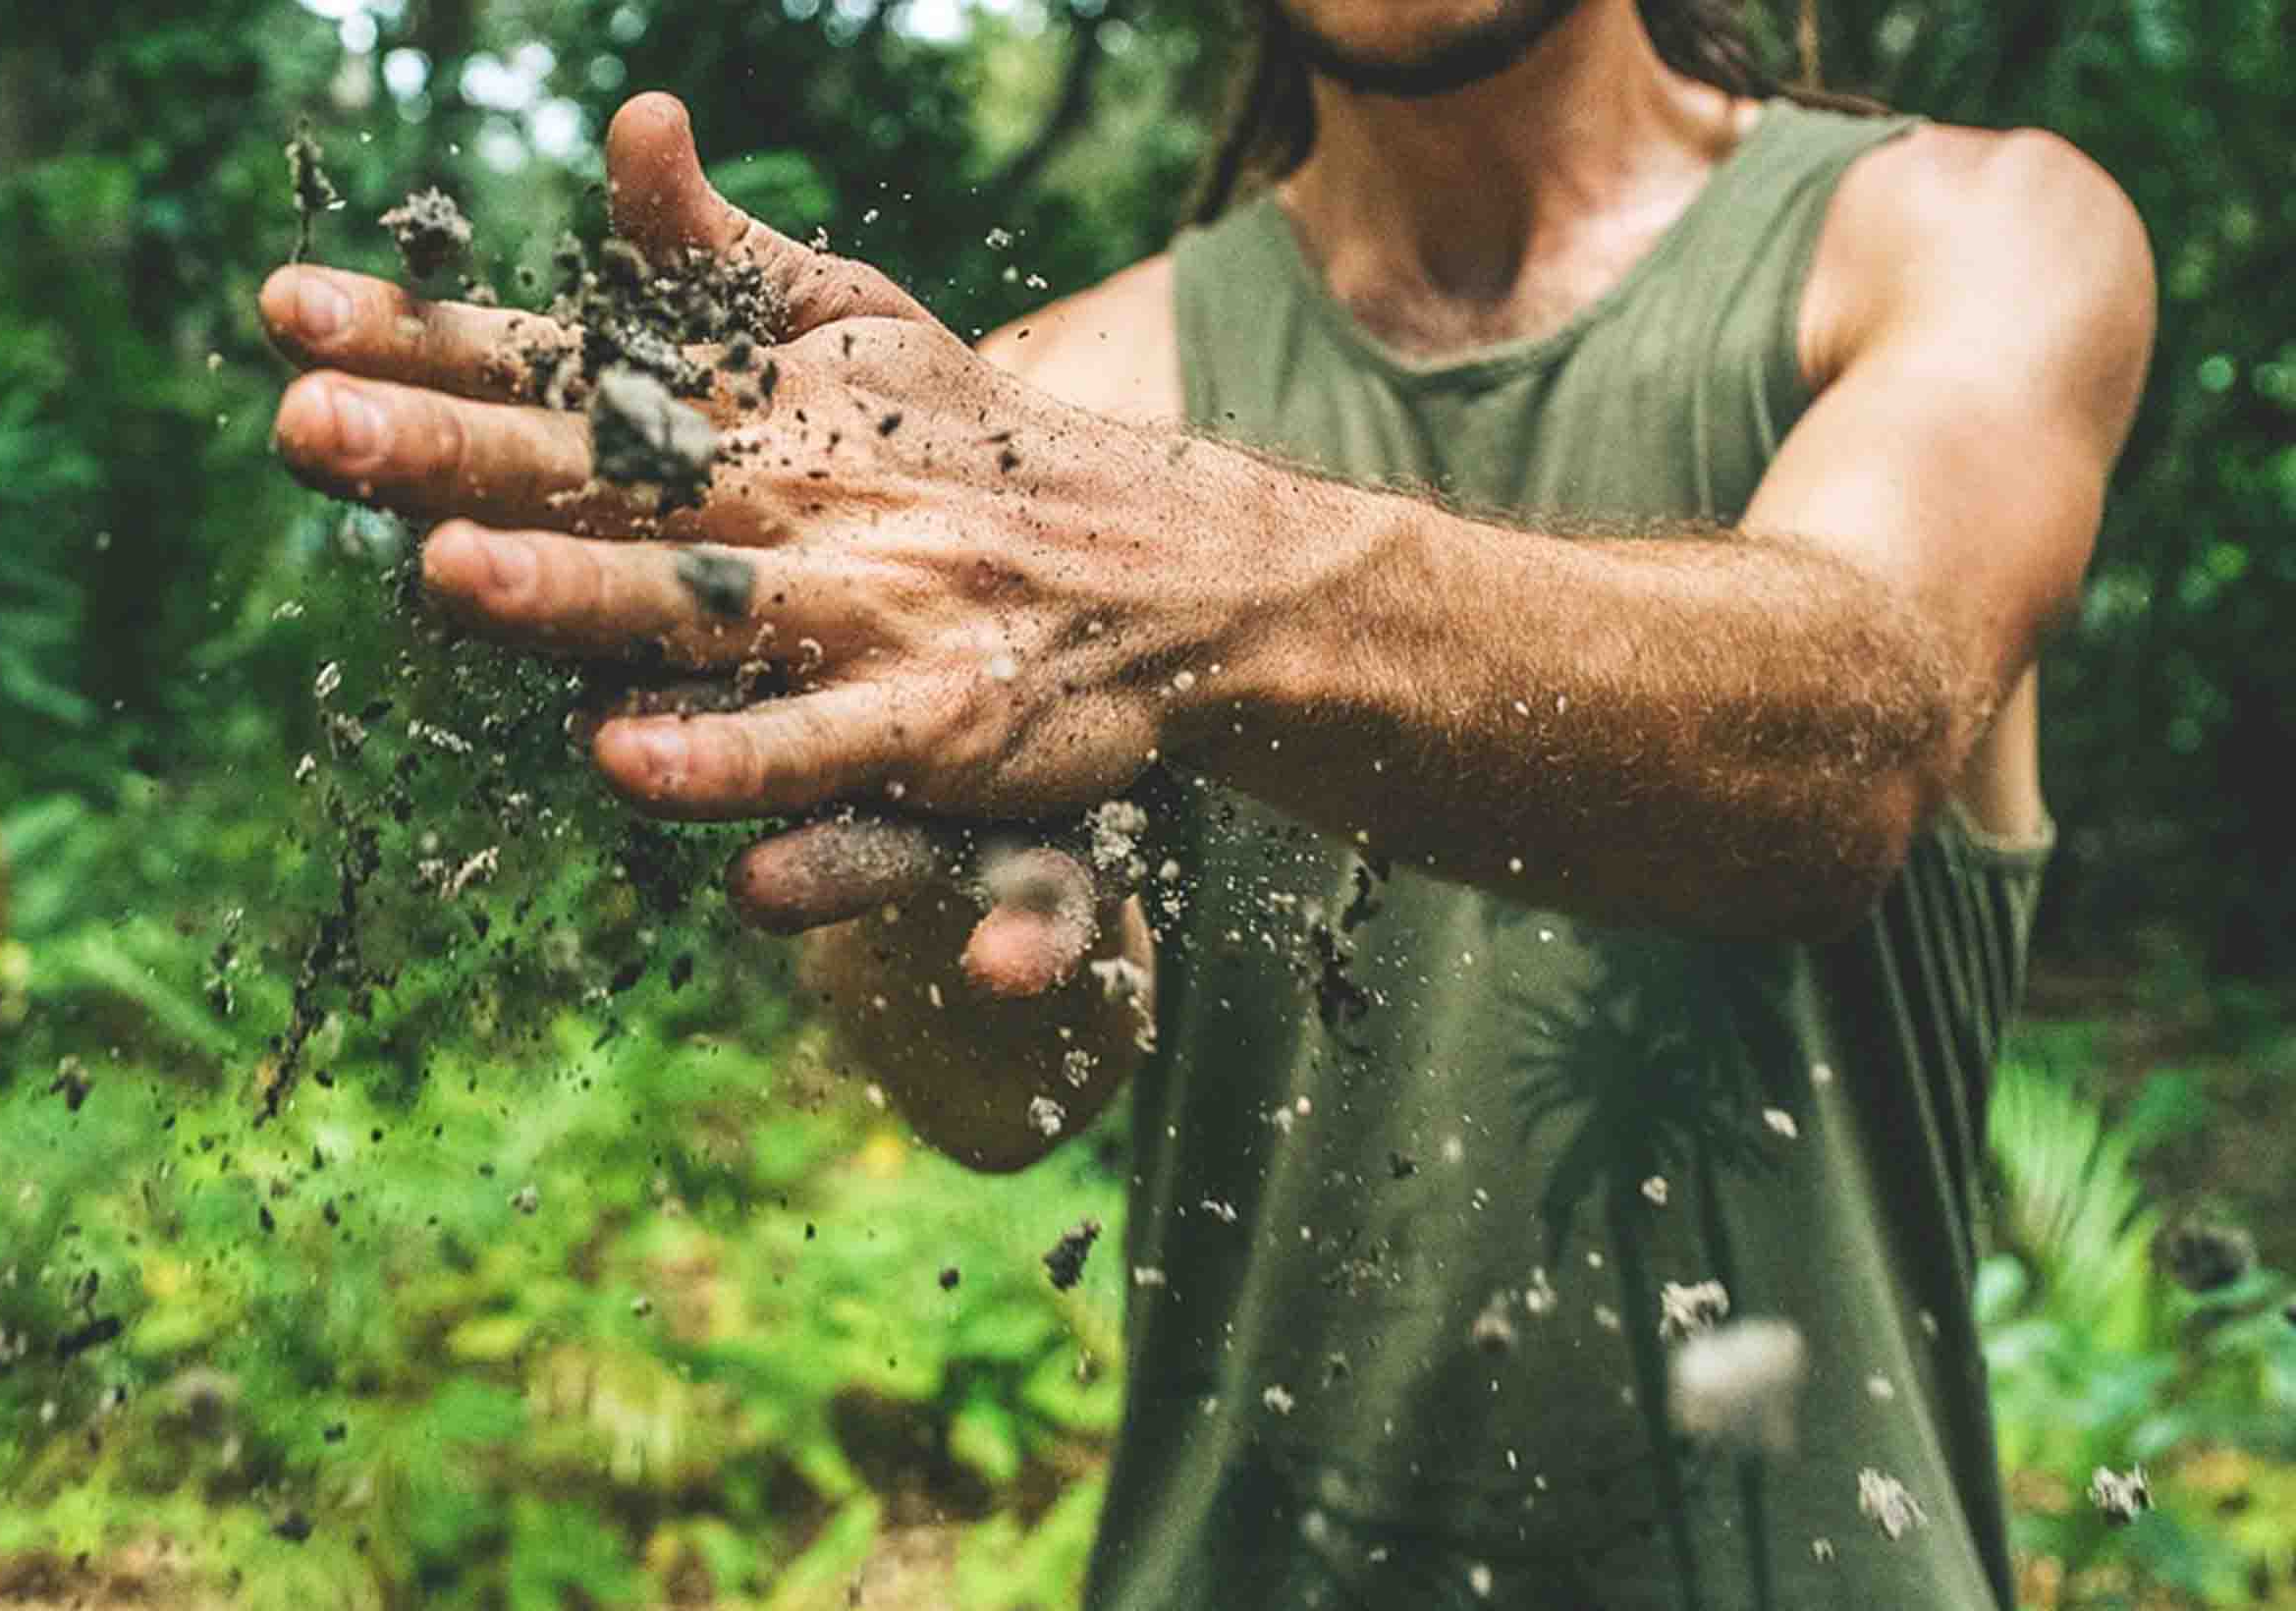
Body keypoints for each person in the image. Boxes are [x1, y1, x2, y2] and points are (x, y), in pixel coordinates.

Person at [258, 0, 2154, 1602]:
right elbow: (999, 1099)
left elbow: (1839, 745)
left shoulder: (1970, 231)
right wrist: (973, 872)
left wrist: (1185, 582)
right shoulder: (1046, 410)